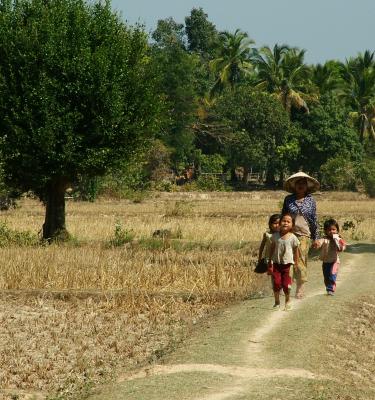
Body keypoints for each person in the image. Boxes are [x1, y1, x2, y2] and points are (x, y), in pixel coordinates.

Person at [282, 172, 320, 299]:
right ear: (294, 186)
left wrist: (316, 238)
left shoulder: (311, 200)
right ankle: (288, 284)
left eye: (303, 184)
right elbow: (283, 216)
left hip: (304, 235)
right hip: (290, 234)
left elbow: (314, 219)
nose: (301, 186)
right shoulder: (288, 199)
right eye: (298, 183)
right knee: (288, 260)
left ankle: (300, 288)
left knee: (301, 262)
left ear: (307, 186)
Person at [267, 213, 299, 311]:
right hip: (276, 264)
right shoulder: (275, 236)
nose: (285, 223)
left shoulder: (293, 237)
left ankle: (287, 301)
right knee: (276, 283)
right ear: (280, 223)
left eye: (288, 222)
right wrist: (269, 261)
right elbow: (271, 249)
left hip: (287, 265)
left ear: (292, 225)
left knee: (286, 285)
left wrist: (296, 263)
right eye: (283, 221)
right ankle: (277, 302)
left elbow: (296, 251)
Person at [316, 218, 346, 295]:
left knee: (332, 275)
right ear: (325, 231)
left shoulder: (338, 239)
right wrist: (317, 244)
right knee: (326, 277)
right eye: (329, 230)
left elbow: (342, 247)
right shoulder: (324, 239)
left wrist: (340, 243)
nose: (331, 231)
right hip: (325, 261)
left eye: (334, 229)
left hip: (335, 261)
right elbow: (319, 242)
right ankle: (328, 288)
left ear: (337, 230)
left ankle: (331, 289)